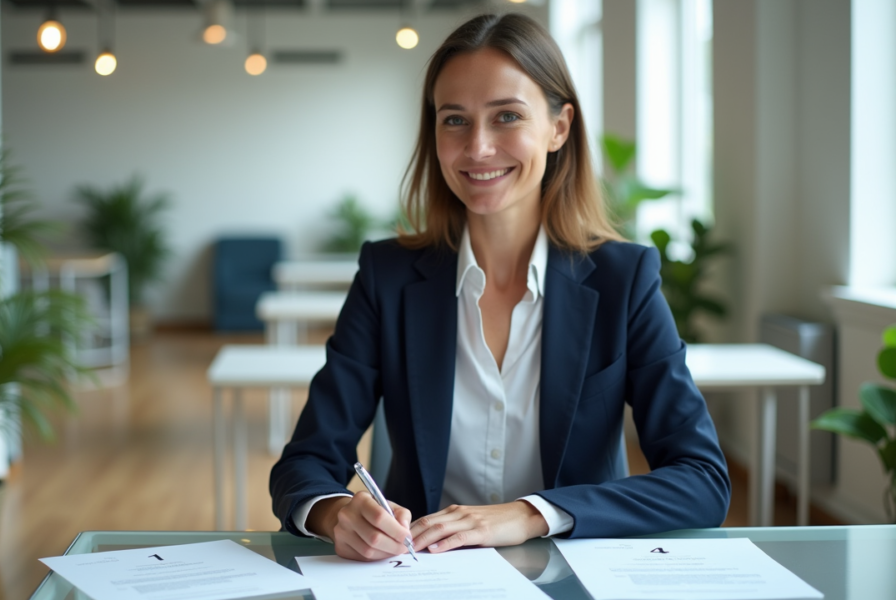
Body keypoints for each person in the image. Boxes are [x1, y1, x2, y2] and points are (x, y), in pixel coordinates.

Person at [270, 12, 730, 562]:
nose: (478, 148)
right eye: (455, 120)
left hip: (574, 574)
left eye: (506, 116)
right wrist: (335, 513)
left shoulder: (623, 280)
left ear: (559, 127)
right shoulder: (386, 276)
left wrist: (530, 514)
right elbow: (305, 461)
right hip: (422, 577)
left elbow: (702, 479)